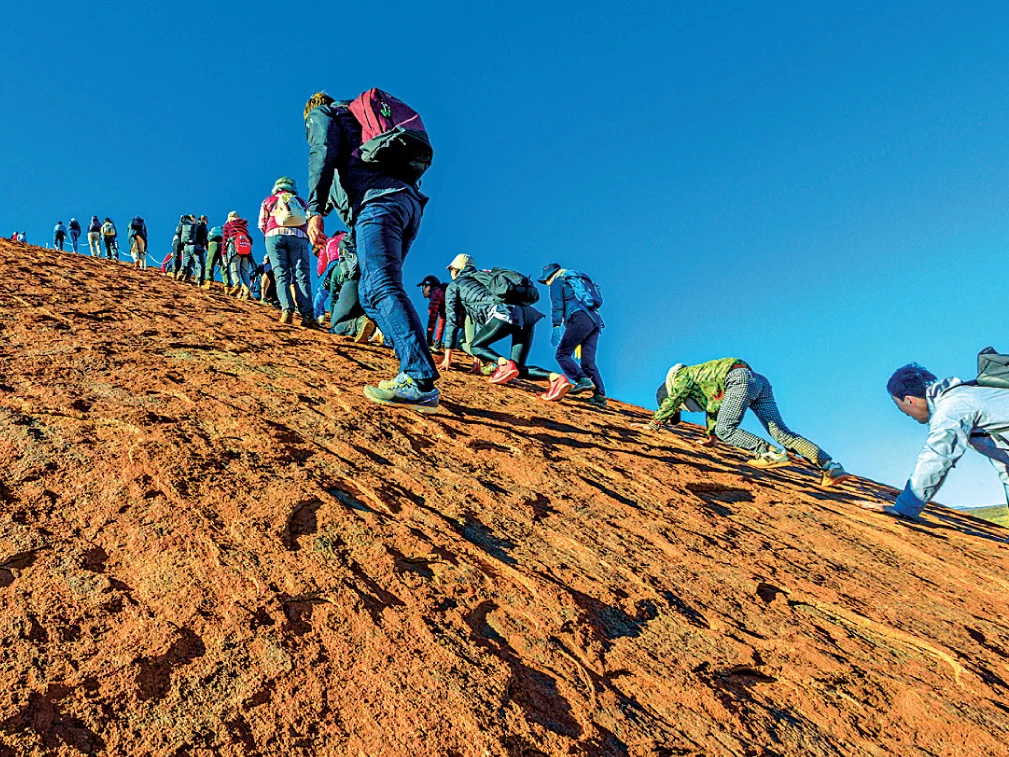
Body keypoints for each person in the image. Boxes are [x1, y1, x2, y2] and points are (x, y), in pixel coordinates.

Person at [304, 91, 438, 412]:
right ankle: (411, 367)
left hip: (378, 203)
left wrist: (315, 209)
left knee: (379, 288)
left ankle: (418, 378)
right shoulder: (359, 122)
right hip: (407, 203)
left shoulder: (324, 114)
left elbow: (322, 150)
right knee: (370, 291)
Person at [647, 358, 850, 488]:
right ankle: (830, 467)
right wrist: (711, 437)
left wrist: (655, 423)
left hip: (738, 379)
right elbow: (714, 408)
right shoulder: (704, 384)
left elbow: (675, 397)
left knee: (726, 429)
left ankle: (767, 453)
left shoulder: (681, 378)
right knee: (782, 433)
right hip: (758, 381)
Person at [865, 363, 1009, 520]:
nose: (906, 415)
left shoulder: (952, 407)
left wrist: (904, 508)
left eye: (900, 406)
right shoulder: (969, 395)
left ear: (909, 400)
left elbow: (937, 456)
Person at [438, 254, 552, 385]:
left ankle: (503, 364)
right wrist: (478, 360)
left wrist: (447, 358)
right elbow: (482, 320)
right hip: (528, 314)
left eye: (451, 269)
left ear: (456, 269)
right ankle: (555, 379)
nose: (450, 272)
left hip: (503, 313)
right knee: (518, 369)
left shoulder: (454, 285)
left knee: (475, 346)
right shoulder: (484, 277)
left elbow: (452, 320)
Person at [539, 263, 606, 406]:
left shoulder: (557, 281)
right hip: (594, 320)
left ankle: (582, 380)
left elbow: (557, 305)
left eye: (545, 281)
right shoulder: (574, 278)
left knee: (561, 354)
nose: (546, 284)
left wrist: (556, 326)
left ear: (548, 277)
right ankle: (599, 396)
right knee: (588, 361)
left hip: (579, 317)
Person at [258, 176, 315, 327]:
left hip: (274, 237)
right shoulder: (301, 201)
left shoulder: (268, 200)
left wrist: (270, 234)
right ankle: (308, 315)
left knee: (281, 274)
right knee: (301, 275)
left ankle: (287, 310)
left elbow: (262, 224)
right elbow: (310, 220)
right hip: (299, 238)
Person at [223, 211, 254, 298]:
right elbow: (250, 240)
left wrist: (223, 254)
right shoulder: (243, 226)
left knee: (234, 268)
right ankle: (247, 291)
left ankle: (236, 284)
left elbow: (224, 240)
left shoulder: (228, 225)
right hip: (246, 250)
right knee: (245, 272)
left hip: (234, 248)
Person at [417, 275, 447, 350]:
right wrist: (438, 342)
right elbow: (442, 319)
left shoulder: (435, 294)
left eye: (423, 287)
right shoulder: (443, 293)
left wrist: (429, 340)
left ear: (428, 287)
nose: (422, 290)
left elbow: (432, 318)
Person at [205, 223, 227, 289]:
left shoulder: (212, 232)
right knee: (224, 265)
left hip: (212, 244)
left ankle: (209, 282)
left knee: (210, 264)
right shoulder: (224, 231)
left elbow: (207, 240)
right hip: (223, 245)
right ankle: (227, 286)